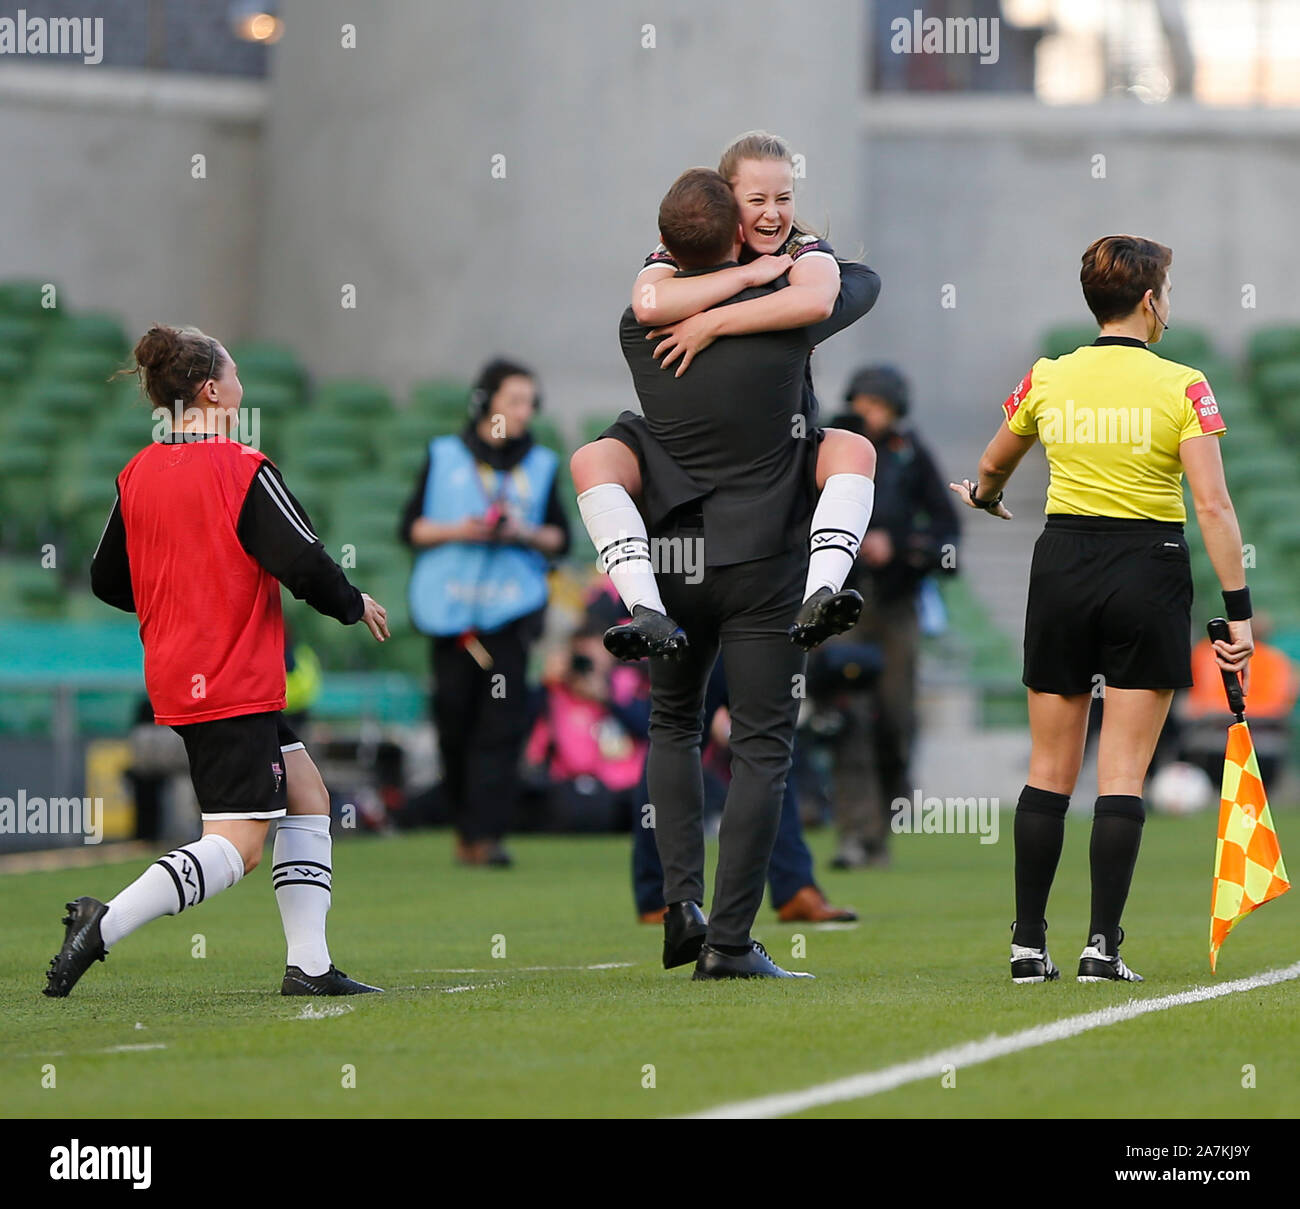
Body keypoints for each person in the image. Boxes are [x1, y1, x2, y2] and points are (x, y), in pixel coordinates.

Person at [46, 324, 390, 998]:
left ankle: (310, 965)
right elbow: (304, 562)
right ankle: (103, 921)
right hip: (232, 677)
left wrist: (180, 606)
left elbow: (107, 579)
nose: (240, 384)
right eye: (232, 373)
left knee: (307, 794)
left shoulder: (138, 472)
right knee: (238, 846)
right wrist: (354, 603)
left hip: (179, 672)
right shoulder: (241, 468)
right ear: (212, 390)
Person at [952, 234, 1254, 984]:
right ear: (1150, 302)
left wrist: (987, 501)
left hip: (1061, 565)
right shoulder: (1184, 384)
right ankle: (1101, 947)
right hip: (1147, 568)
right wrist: (1238, 612)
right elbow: (1212, 506)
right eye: (1169, 294)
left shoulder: (1048, 376)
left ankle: (1027, 946)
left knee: (1049, 769)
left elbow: (991, 467)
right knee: (1121, 772)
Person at [610, 168, 879, 979]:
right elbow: (849, 286)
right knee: (763, 748)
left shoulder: (637, 324)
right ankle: (729, 943)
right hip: (767, 556)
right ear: (736, 230)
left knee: (673, 726)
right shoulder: (784, 325)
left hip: (673, 556)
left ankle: (678, 900)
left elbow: (657, 296)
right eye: (756, 208)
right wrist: (788, 258)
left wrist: (715, 277)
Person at [571, 130, 880, 659]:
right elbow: (647, 304)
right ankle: (643, 608)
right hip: (686, 495)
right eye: (757, 199)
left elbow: (821, 299)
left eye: (784, 198)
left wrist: (711, 324)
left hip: (775, 471)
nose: (773, 213)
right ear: (724, 200)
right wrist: (749, 280)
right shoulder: (676, 252)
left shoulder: (802, 251)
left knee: (855, 450)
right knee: (593, 458)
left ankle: (822, 592)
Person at [401, 358, 570, 867]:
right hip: (450, 619)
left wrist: (521, 532)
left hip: (509, 616)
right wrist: (461, 529)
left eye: (529, 402)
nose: (524, 412)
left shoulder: (540, 464)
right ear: (485, 404)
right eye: (513, 400)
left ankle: (487, 836)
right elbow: (411, 528)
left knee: (502, 728)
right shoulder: (445, 455)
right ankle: (463, 828)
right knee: (454, 724)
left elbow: (558, 538)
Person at [819, 365, 961, 869]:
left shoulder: (909, 453)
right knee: (847, 715)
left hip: (896, 603)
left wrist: (898, 546)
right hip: (842, 603)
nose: (870, 414)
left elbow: (947, 528)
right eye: (864, 403)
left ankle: (884, 819)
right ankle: (855, 835)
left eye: (879, 406)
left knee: (895, 719)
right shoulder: (828, 444)